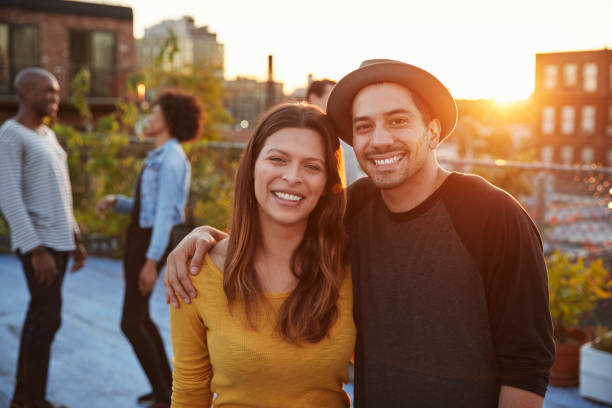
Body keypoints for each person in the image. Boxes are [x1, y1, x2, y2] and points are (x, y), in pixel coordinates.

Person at [164, 60, 555, 407]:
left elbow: (526, 364)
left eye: (398, 120)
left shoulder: (493, 214)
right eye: (364, 127)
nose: (380, 139)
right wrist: (204, 236)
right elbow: (285, 218)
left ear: (433, 132)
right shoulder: (355, 209)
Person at [169, 103, 355, 407]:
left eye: (312, 166)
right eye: (278, 159)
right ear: (252, 166)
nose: (292, 176)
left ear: (327, 184)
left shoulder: (349, 268)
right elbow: (190, 392)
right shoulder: (197, 270)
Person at [95, 90, 202, 408]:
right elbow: (148, 208)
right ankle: (165, 389)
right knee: (141, 318)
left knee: (130, 322)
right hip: (139, 240)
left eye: (154, 113)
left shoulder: (171, 159)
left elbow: (165, 217)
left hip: (147, 245)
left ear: (168, 119)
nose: (149, 117)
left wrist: (151, 262)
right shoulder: (158, 156)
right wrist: (118, 202)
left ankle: (164, 395)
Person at [0, 67, 87, 408]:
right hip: (40, 244)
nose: (55, 99)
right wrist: (35, 248)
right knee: (45, 317)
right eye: (47, 92)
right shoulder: (10, 134)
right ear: (26, 94)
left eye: (57, 92)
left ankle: (29, 397)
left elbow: (61, 191)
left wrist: (75, 236)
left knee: (44, 316)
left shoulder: (47, 136)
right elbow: (7, 195)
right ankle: (27, 399)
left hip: (58, 239)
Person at [306, 79, 365, 186]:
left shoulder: (343, 140)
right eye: (331, 97)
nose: (337, 102)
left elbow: (351, 183)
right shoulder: (294, 137)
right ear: (313, 99)